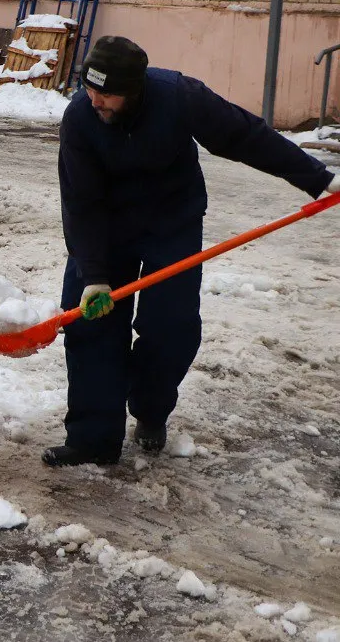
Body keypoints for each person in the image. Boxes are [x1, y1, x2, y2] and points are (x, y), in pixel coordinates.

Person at [45, 36, 339, 467]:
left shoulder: (179, 97)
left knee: (172, 326)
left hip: (172, 220)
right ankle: (92, 439)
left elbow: (245, 136)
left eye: (106, 93)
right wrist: (93, 276)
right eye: (89, 88)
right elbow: (80, 202)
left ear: (134, 89)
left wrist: (318, 179)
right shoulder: (80, 119)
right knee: (92, 324)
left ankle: (149, 408)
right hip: (106, 226)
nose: (95, 100)